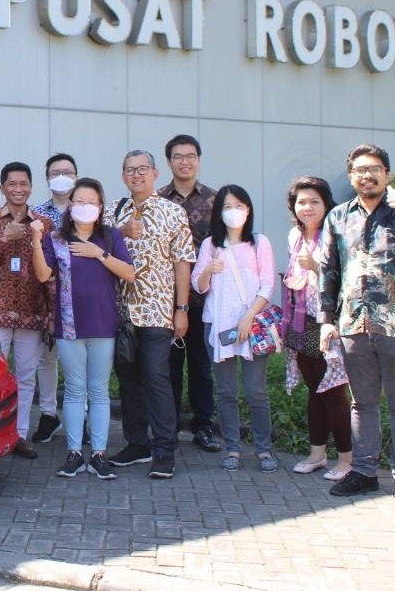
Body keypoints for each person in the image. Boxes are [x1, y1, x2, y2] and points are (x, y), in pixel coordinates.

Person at [319, 144, 395, 505]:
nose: (366, 175)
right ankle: (365, 472)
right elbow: (329, 271)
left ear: (386, 173)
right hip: (354, 324)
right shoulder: (338, 216)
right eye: (359, 170)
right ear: (351, 175)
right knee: (362, 403)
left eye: (373, 169)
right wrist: (327, 321)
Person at [32, 178, 134, 479]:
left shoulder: (111, 236)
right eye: (79, 201)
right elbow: (42, 275)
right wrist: (36, 242)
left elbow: (129, 273)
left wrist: (98, 254)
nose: (85, 207)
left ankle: (99, 454)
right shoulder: (56, 238)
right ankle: (75, 453)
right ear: (70, 204)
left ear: (100, 207)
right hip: (69, 324)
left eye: (91, 202)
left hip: (104, 323)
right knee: (75, 390)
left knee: (99, 390)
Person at [106, 150, 194, 480]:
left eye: (143, 169)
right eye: (130, 170)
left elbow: (183, 262)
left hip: (157, 311)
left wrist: (181, 310)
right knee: (128, 381)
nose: (136, 175)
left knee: (157, 380)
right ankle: (137, 444)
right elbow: (98, 249)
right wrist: (122, 232)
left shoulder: (173, 212)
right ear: (123, 176)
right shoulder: (113, 213)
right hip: (121, 312)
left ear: (156, 174)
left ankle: (164, 449)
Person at [192, 185, 279, 473]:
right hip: (217, 327)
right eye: (227, 207)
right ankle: (233, 448)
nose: (233, 212)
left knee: (256, 391)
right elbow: (199, 286)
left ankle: (264, 450)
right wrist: (208, 270)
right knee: (226, 392)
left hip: (250, 326)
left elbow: (268, 283)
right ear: (218, 212)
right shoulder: (209, 246)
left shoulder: (259, 243)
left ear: (248, 209)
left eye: (239, 205)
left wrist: (248, 319)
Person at [0, 162, 56, 458]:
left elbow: (51, 273)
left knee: (25, 376)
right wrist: (2, 239)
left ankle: (19, 435)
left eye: (24, 184)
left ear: (32, 187)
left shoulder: (45, 224)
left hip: (32, 311)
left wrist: (49, 316)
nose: (18, 189)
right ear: (2, 188)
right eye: (12, 184)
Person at [282, 176, 351, 481]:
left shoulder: (336, 234)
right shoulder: (294, 236)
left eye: (314, 201)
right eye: (301, 201)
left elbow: (346, 279)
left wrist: (315, 267)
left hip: (329, 321)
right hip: (301, 321)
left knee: (334, 391)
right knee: (314, 390)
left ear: (326, 204)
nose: (306, 207)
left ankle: (348, 459)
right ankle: (317, 453)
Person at [157, 135, 220, 453]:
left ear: (198, 159)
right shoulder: (156, 200)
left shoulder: (215, 200)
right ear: (168, 161)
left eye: (190, 156)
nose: (185, 161)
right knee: (166, 367)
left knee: (200, 365)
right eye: (178, 156)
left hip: (204, 300)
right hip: (163, 301)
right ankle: (167, 427)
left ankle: (203, 426)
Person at [28, 151, 78, 444]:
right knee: (46, 359)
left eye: (68, 172)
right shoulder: (37, 215)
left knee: (76, 360)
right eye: (55, 172)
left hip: (78, 298)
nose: (62, 177)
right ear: (47, 178)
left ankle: (81, 415)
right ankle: (49, 414)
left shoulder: (88, 211)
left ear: (76, 175)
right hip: (46, 296)